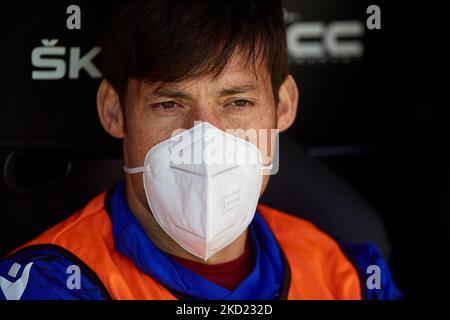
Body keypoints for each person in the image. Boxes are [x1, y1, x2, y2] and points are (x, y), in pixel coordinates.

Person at [0, 0, 402, 300]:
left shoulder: (348, 275)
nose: (205, 139)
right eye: (169, 104)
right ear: (114, 111)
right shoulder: (52, 281)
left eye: (237, 102)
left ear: (283, 106)